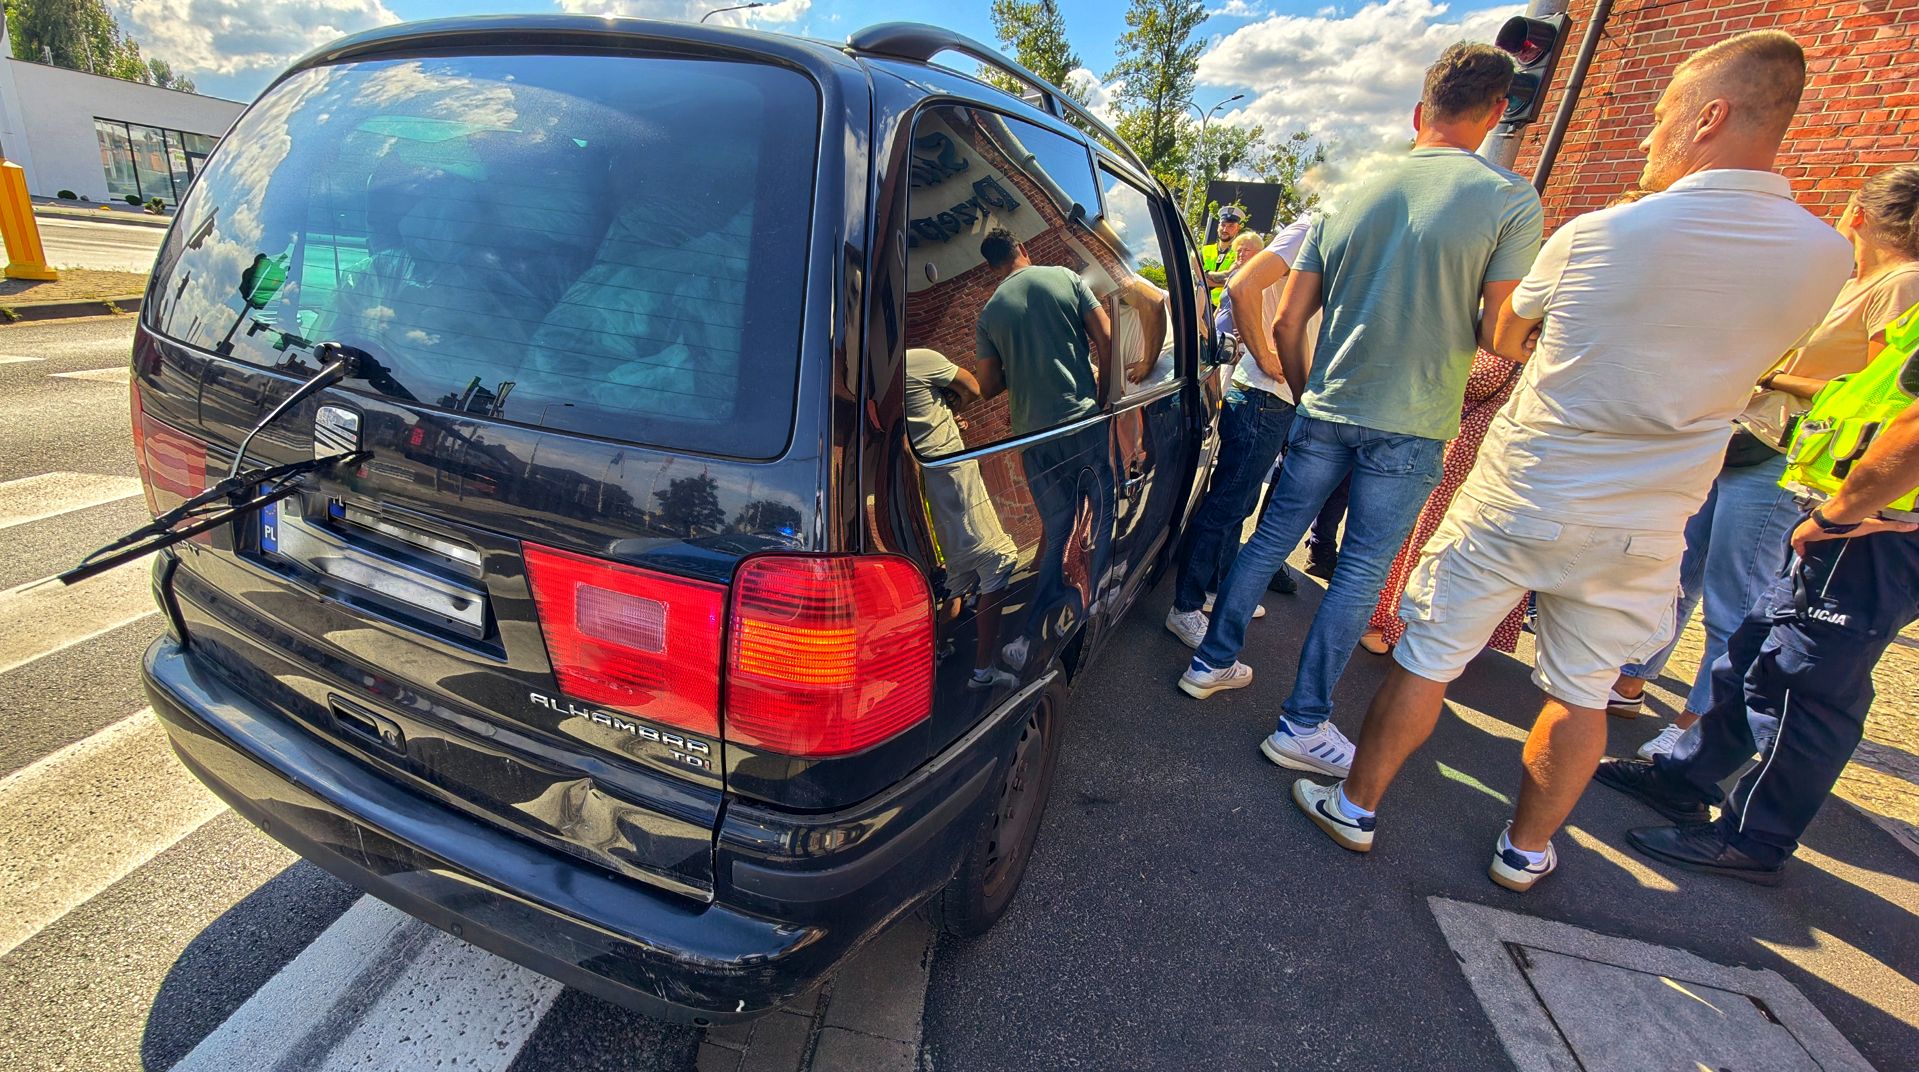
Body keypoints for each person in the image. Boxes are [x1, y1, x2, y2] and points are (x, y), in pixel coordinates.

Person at [1292, 31, 1854, 894]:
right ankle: (1524, 850)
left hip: (1526, 485)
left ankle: (1356, 805)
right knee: (1582, 692)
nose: (1647, 135)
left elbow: (1507, 330)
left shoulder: (1599, 232)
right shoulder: (1826, 255)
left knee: (1427, 656)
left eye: (1661, 114)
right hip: (1647, 515)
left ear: (1709, 116)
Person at [1177, 42, 1545, 783]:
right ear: (1497, 112)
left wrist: (1308, 390)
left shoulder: (1349, 191)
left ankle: (1210, 661)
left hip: (1325, 402)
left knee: (1267, 537)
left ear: (1418, 111)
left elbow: (1289, 320)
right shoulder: (1509, 198)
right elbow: (1500, 335)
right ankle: (1302, 723)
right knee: (1358, 573)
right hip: (1412, 419)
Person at [1611, 165, 1919, 758]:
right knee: (1678, 568)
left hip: (1784, 456)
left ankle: (1696, 727)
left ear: (1859, 212)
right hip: (1749, 437)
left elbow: (1870, 392)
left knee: (1735, 595)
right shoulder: (1854, 280)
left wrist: (1768, 374)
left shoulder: (1902, 284)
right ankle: (1630, 678)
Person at [1595, 360, 1919, 884]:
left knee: (1803, 687)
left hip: (1874, 528)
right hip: (1859, 519)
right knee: (1752, 657)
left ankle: (1753, 839)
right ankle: (1681, 779)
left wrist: (1840, 515)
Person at [1166, 220, 1315, 649]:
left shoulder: (1316, 233)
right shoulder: (1312, 229)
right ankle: (1185, 607)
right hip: (1265, 394)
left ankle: (1213, 590)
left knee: (1238, 502)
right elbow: (1241, 286)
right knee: (1227, 503)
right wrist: (1266, 357)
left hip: (1272, 396)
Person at [974, 228, 1112, 632]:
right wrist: (1103, 397)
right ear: (1022, 247)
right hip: (1081, 422)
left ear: (991, 268)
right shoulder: (1065, 278)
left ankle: (1036, 623)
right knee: (1102, 510)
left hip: (1033, 439)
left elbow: (988, 386)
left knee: (1057, 528)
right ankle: (1093, 599)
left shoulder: (989, 314)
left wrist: (1019, 362)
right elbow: (1106, 338)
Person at [1358, 349, 1528, 656]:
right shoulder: (1515, 342)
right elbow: (1475, 381)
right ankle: (1394, 621)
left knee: (1457, 540)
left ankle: (1411, 625)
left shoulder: (1537, 342)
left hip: (1487, 454)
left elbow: (1474, 380)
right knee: (1437, 535)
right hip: (1476, 451)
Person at [904, 347, 1023, 690]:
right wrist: (954, 406)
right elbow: (973, 386)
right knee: (998, 558)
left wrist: (942, 413)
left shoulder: (877, 379)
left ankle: (937, 650)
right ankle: (983, 671)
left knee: (959, 576)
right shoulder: (918, 359)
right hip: (956, 472)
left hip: (932, 479)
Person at [1202, 206, 1247, 307]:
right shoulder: (1205, 250)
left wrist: (1207, 276)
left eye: (1231, 226)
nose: (1225, 229)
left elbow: (1238, 282)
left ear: (1237, 229)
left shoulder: (1241, 253)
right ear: (1218, 227)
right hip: (1202, 305)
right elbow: (1196, 277)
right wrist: (1225, 280)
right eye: (1223, 225)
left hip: (1227, 308)